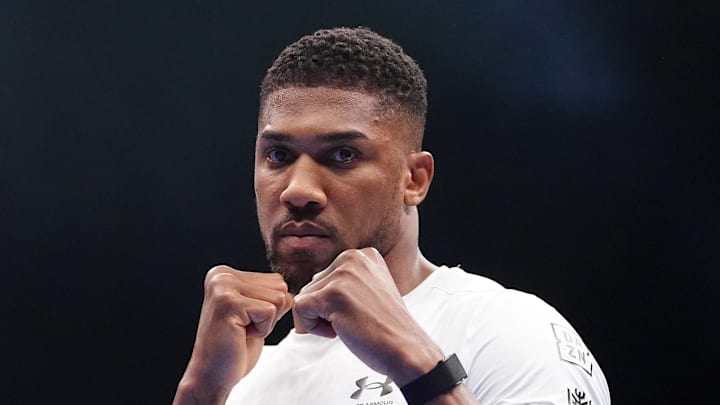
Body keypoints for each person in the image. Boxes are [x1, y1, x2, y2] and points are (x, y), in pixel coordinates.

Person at [173, 26, 610, 405]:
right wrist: (199, 392)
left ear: (414, 179)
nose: (298, 190)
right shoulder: (240, 380)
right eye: (278, 155)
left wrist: (419, 366)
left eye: (343, 155)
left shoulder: (508, 330)